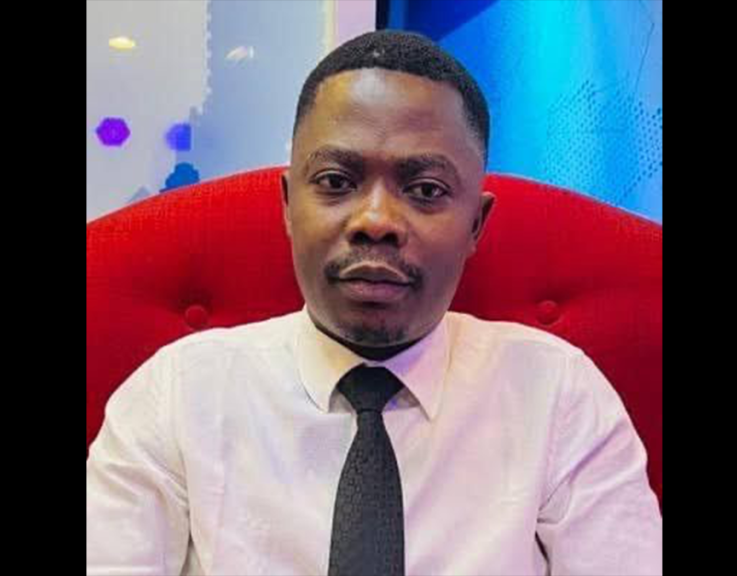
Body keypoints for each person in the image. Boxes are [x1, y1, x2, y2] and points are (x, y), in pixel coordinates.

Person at [87, 30, 662, 576]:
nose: (376, 221)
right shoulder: (177, 394)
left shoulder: (558, 395)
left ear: (476, 226)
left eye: (426, 190)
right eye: (337, 181)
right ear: (289, 205)